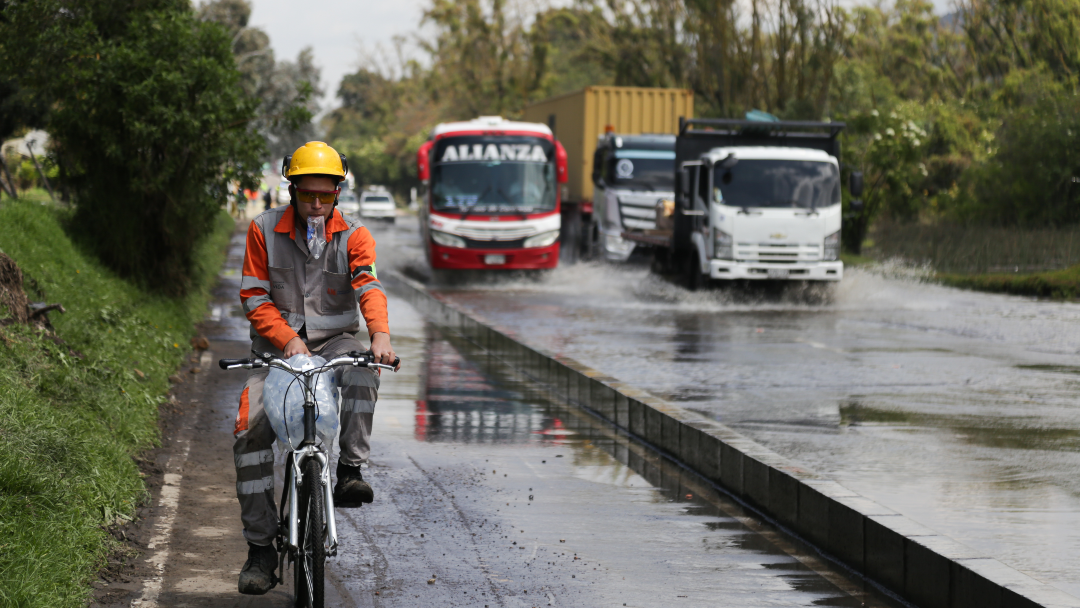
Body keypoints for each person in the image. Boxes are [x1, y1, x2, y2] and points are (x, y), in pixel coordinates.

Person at [233, 141, 397, 595]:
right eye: (309, 196)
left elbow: (368, 286)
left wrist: (379, 334)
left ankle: (349, 471)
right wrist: (289, 341)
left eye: (326, 196)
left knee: (364, 369)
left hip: (335, 343)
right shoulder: (263, 229)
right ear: (293, 191)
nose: (317, 205)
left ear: (338, 193)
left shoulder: (356, 234)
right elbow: (253, 297)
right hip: (275, 351)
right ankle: (261, 549)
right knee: (250, 430)